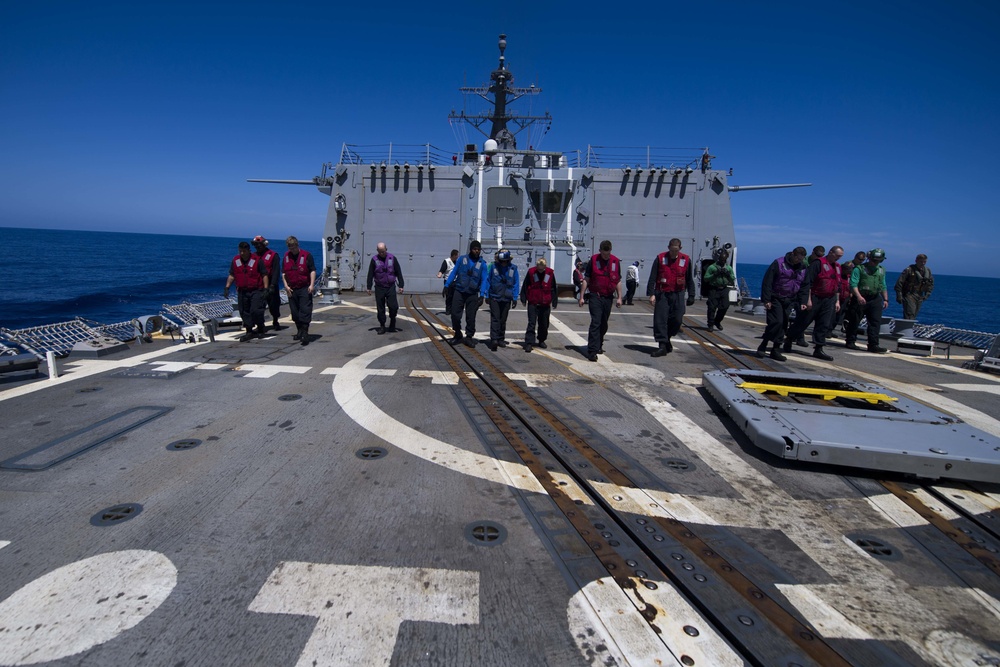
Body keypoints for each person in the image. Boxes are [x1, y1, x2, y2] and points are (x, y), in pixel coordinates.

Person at [784, 245, 844, 361]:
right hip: (815, 297)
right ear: (831, 252)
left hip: (829, 299)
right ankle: (789, 338)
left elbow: (838, 285)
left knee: (823, 324)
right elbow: (808, 282)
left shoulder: (837, 267)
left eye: (840, 257)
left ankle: (819, 348)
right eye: (837, 256)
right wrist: (808, 299)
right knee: (803, 321)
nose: (838, 258)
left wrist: (837, 301)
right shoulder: (818, 263)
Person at [755, 247, 807, 361]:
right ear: (793, 254)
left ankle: (775, 349)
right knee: (776, 322)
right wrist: (766, 299)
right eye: (797, 258)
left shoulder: (803, 268)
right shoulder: (779, 263)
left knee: (783, 324)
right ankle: (763, 344)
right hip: (776, 297)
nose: (798, 261)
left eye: (801, 259)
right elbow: (767, 281)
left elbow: (803, 286)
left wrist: (803, 301)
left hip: (790, 299)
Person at [646, 238, 695, 357]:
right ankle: (662, 346)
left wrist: (691, 295)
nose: (673, 253)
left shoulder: (686, 260)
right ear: (668, 247)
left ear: (680, 249)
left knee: (677, 319)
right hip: (662, 293)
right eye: (672, 250)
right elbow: (653, 276)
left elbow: (689, 279)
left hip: (678, 294)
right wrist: (651, 294)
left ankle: (667, 338)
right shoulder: (660, 258)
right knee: (660, 320)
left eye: (676, 250)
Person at [579, 240, 622, 362]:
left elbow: (617, 280)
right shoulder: (594, 260)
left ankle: (599, 343)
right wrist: (582, 296)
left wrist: (619, 297)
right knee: (596, 322)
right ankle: (592, 350)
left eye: (607, 254)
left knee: (604, 323)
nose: (605, 256)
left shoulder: (615, 262)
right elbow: (586, 279)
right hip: (595, 296)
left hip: (608, 297)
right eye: (603, 253)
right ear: (600, 251)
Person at [845, 248, 890, 353]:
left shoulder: (881, 270)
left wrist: (886, 299)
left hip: (875, 298)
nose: (875, 262)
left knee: (875, 322)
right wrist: (859, 296)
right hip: (861, 297)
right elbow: (853, 283)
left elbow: (883, 285)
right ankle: (850, 341)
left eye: (878, 260)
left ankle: (873, 344)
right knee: (855, 320)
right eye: (874, 260)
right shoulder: (859, 269)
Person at [445, 240, 488, 347]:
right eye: (474, 249)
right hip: (459, 291)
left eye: (478, 249)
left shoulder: (482, 264)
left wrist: (482, 295)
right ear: (470, 249)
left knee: (471, 316)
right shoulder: (461, 259)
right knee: (455, 314)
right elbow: (454, 272)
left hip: (472, 293)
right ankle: (458, 334)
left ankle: (469, 336)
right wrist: (447, 285)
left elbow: (484, 280)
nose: (476, 251)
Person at [224, 241, 269, 342]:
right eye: (240, 251)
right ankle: (249, 331)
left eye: (244, 251)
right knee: (244, 311)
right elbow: (232, 275)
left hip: (256, 290)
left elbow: (264, 275)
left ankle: (260, 327)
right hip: (242, 291)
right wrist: (227, 287)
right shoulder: (236, 261)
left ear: (249, 250)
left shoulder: (257, 260)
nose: (242, 253)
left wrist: (266, 289)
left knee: (255, 310)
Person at [282, 235, 316, 346]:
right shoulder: (286, 257)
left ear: (297, 245)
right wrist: (286, 286)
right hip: (292, 288)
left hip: (304, 287)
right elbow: (284, 274)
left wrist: (311, 285)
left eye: (293, 247)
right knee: (295, 312)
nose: (292, 250)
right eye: (290, 248)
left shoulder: (307, 256)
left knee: (305, 310)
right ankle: (299, 330)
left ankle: (305, 332)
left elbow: (312, 271)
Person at [483, 249, 520, 351]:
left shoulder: (513, 269)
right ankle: (494, 339)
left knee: (503, 319)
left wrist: (515, 297)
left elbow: (516, 283)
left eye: (505, 261)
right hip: (494, 296)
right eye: (502, 261)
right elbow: (488, 281)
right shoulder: (493, 267)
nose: (503, 263)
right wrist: (486, 295)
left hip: (507, 297)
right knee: (495, 318)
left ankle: (500, 338)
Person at [521, 257, 558, 353]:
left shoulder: (550, 273)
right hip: (533, 302)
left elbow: (553, 287)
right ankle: (529, 342)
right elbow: (525, 285)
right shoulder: (531, 272)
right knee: (531, 323)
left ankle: (541, 340)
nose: (540, 271)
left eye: (542, 269)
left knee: (544, 324)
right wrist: (523, 298)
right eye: (539, 269)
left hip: (545, 303)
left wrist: (554, 300)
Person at [366, 242, 404, 334]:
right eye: (380, 252)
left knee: (393, 306)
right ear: (377, 251)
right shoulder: (374, 260)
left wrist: (401, 285)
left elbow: (398, 272)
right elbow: (370, 274)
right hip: (379, 287)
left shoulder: (392, 258)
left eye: (383, 251)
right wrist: (368, 287)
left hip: (390, 286)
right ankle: (382, 325)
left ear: (386, 249)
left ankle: (393, 321)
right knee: (381, 308)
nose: (382, 253)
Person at [252, 235, 283, 331]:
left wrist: (273, 284)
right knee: (258, 306)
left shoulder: (273, 255)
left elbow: (276, 270)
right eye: (256, 245)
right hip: (259, 285)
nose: (258, 247)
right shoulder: (254, 256)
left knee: (274, 304)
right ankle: (260, 324)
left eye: (259, 244)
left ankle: (275, 320)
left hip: (271, 284)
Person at [835, 251, 867, 334]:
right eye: (860, 259)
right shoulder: (849, 265)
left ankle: (846, 326)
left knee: (851, 312)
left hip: (855, 292)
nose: (861, 261)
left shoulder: (862, 267)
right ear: (855, 257)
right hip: (846, 290)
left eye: (863, 260)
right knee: (841, 310)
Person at [703, 248, 735, 332]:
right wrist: (714, 275)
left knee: (725, 306)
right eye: (721, 260)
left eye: (724, 260)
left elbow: (733, 279)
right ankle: (710, 324)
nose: (722, 262)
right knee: (712, 307)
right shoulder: (712, 267)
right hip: (714, 288)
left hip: (724, 288)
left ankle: (717, 321)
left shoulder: (728, 268)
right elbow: (706, 278)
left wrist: (728, 275)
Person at [895, 253, 934, 320]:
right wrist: (899, 295)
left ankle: (909, 328)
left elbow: (930, 283)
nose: (923, 263)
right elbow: (899, 283)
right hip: (909, 294)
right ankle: (906, 329)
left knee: (915, 314)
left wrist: (928, 294)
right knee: (910, 313)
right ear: (916, 261)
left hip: (920, 295)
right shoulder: (909, 270)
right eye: (921, 261)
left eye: (924, 262)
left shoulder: (927, 271)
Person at [437, 249, 459, 315]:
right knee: (449, 296)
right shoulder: (446, 261)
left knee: (455, 296)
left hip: (455, 281)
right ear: (454, 255)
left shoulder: (456, 262)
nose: (457, 257)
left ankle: (453, 309)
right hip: (448, 281)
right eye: (457, 255)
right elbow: (442, 270)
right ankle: (448, 309)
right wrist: (440, 274)